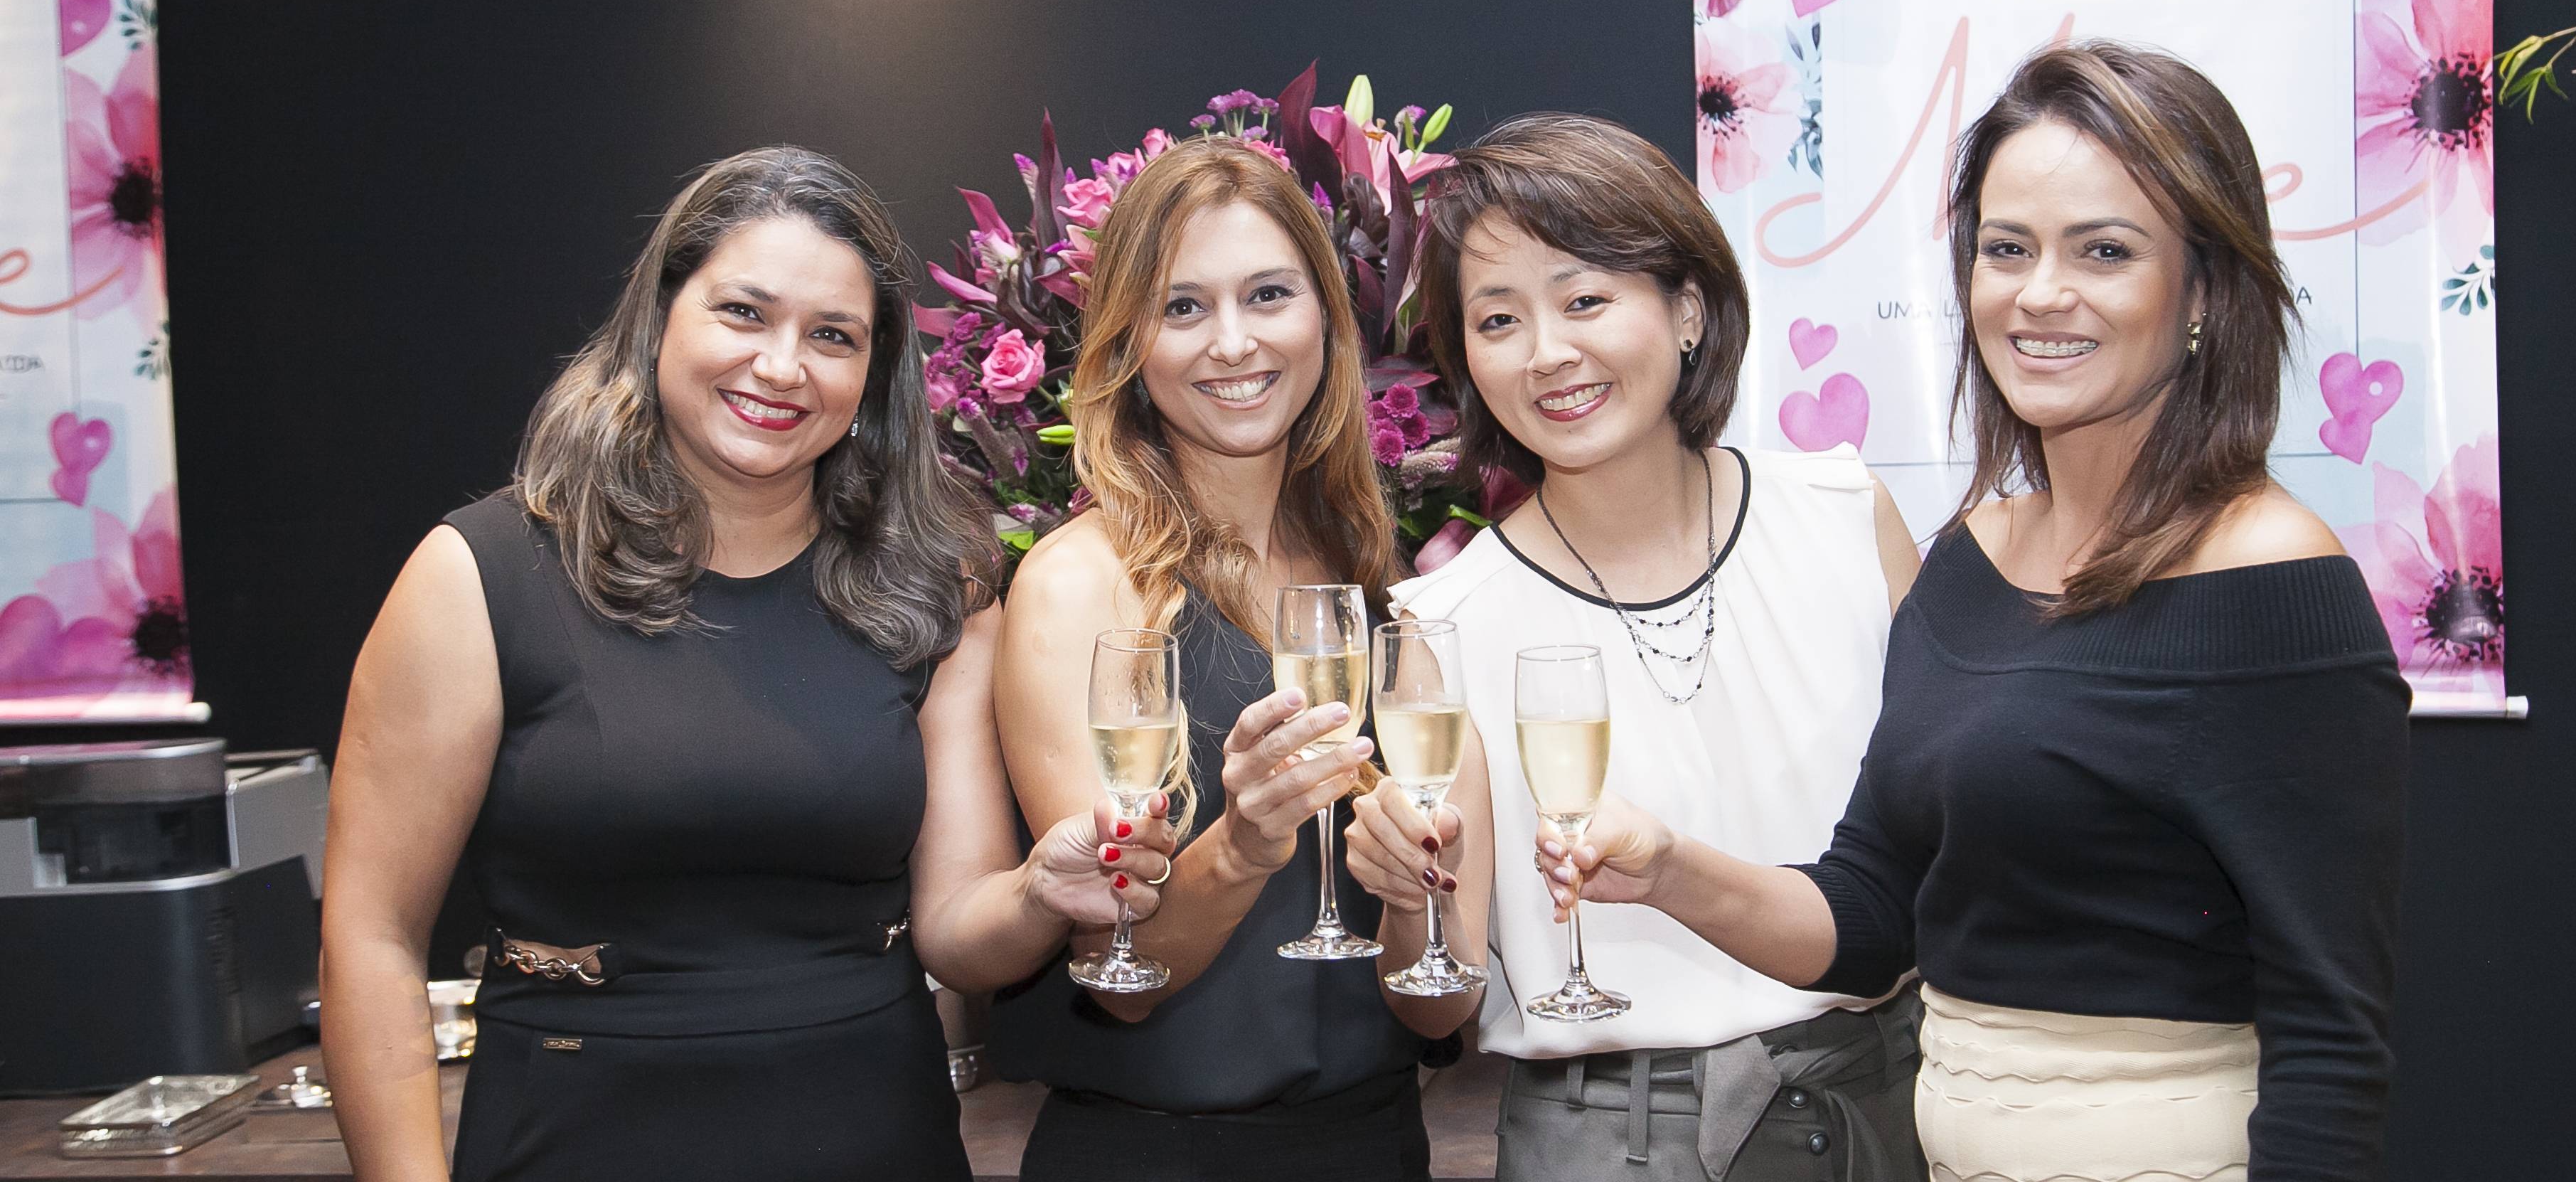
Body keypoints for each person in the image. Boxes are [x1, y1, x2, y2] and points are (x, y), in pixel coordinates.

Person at [1543, 43, 2411, 1182]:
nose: (2039, 293)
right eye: (2007, 250)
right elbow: (1870, 914)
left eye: (2103, 251)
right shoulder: (1970, 558)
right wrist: (1664, 870)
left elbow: (2331, 1037)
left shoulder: (2273, 583)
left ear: (2202, 290)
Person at [319, 147, 1167, 1182]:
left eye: (831, 337)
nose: (780, 366)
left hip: (875, 1143)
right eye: (742, 314)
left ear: (873, 374)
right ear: (660, 317)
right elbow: (371, 942)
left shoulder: (940, 590)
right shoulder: (479, 576)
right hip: (573, 1141)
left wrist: (1039, 892)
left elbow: (957, 938)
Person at [1351, 112, 1929, 1182]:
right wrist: (1405, 896)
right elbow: (1439, 1001)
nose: (1547, 354)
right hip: (1607, 1141)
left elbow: (1956, 852)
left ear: (1689, 308)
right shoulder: (1446, 623)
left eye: (1584, 299)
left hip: (1887, 1108)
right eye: (1497, 320)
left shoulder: (1847, 516)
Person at [987, 137, 1436, 1181]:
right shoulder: (1081, 584)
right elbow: (1118, 976)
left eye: (1268, 294)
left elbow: (1429, 978)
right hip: (1158, 1155)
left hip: (1375, 1142)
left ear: (1326, 315)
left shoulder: (1367, 572)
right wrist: (1244, 841)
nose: (1232, 343)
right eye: (1183, 308)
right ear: (1130, 344)